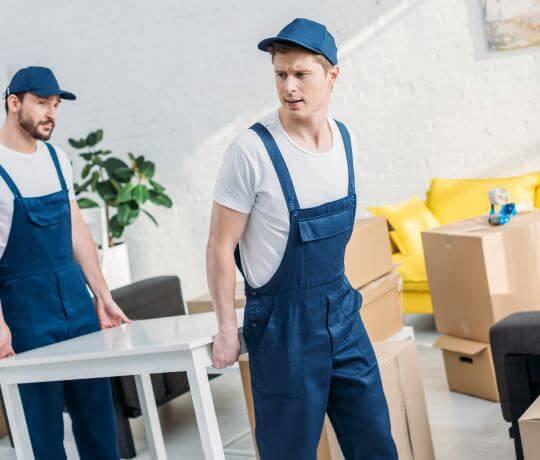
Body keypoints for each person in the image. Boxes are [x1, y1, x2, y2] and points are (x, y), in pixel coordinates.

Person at [207, 18, 398, 459]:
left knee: (375, 443)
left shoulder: (345, 140)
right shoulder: (251, 151)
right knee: (288, 452)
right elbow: (219, 244)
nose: (288, 87)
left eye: (300, 74)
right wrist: (226, 327)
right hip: (283, 328)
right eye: (280, 74)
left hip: (343, 313)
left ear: (332, 75)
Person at [0, 66, 130, 460]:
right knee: (43, 431)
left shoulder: (57, 158)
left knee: (98, 421)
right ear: (14, 103)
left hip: (76, 303)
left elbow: (77, 231)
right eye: (42, 103)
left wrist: (102, 295)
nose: (51, 113)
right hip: (26, 313)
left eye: (56, 105)